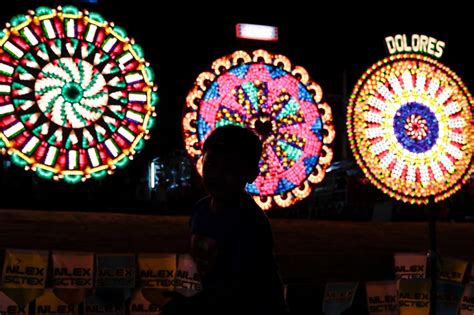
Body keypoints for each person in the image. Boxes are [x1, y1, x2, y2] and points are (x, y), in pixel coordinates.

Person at [162, 125, 288, 314]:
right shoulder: (201, 210)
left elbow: (242, 285)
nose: (217, 175)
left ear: (251, 174)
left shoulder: (250, 222)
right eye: (211, 164)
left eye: (229, 168)